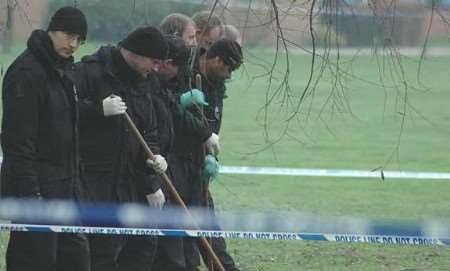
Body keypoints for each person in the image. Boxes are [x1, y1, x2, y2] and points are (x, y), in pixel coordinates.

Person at [0, 6, 90, 271]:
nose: (73, 44)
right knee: (35, 262)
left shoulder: (62, 72)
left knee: (76, 260)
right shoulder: (27, 73)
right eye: (68, 35)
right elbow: (18, 143)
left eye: (79, 39)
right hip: (36, 193)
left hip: (66, 191)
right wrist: (32, 197)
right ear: (52, 30)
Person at [73, 26, 169, 271]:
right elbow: (59, 114)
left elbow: (149, 132)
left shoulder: (143, 82)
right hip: (87, 184)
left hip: (124, 188)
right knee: (83, 257)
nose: (157, 68)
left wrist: (154, 160)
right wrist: (97, 110)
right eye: (154, 61)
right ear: (134, 53)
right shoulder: (90, 72)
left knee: (113, 255)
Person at [150, 35, 221, 271]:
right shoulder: (153, 80)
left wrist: (208, 149)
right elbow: (172, 114)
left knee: (189, 250)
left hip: (186, 169)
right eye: (190, 35)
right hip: (164, 168)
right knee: (170, 252)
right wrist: (204, 132)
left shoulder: (184, 78)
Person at [182, 39, 243, 271]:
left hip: (199, 171)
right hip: (177, 169)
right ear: (217, 60)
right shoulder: (187, 78)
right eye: (229, 68)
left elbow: (213, 130)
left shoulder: (217, 86)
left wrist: (211, 158)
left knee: (212, 239)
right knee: (184, 248)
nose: (229, 75)